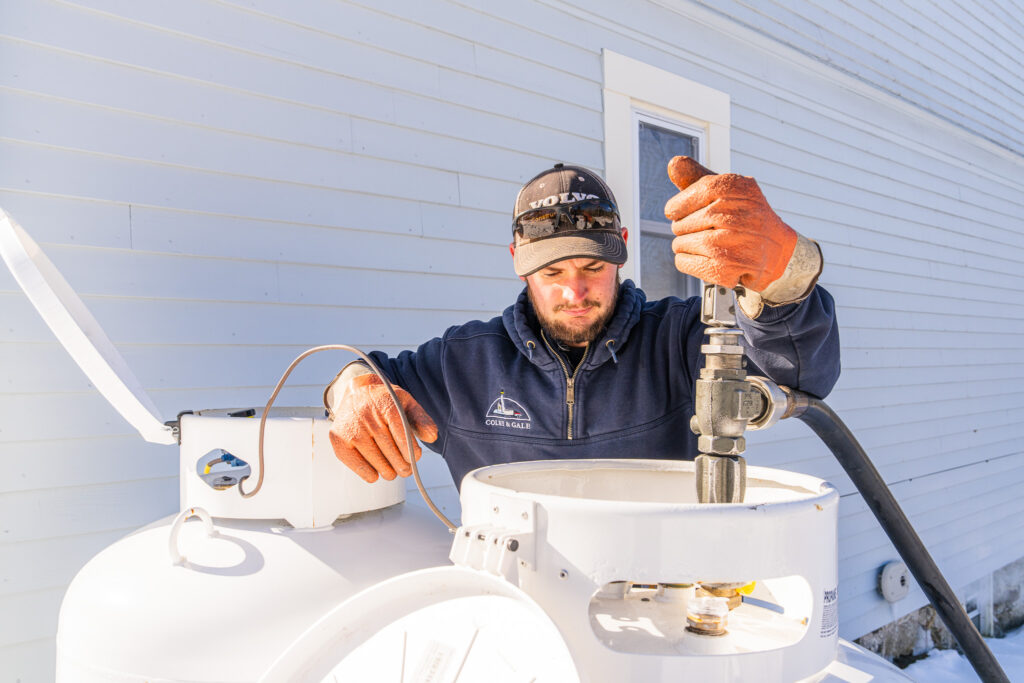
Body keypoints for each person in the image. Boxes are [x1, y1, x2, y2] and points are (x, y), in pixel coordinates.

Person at [324, 157, 839, 488]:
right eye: (553, 272)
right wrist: (351, 386)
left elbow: (799, 374)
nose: (576, 292)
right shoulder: (463, 362)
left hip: (662, 604)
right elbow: (369, 376)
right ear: (517, 262)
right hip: (521, 610)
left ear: (622, 254)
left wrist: (784, 276)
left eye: (593, 267)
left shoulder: (680, 340)